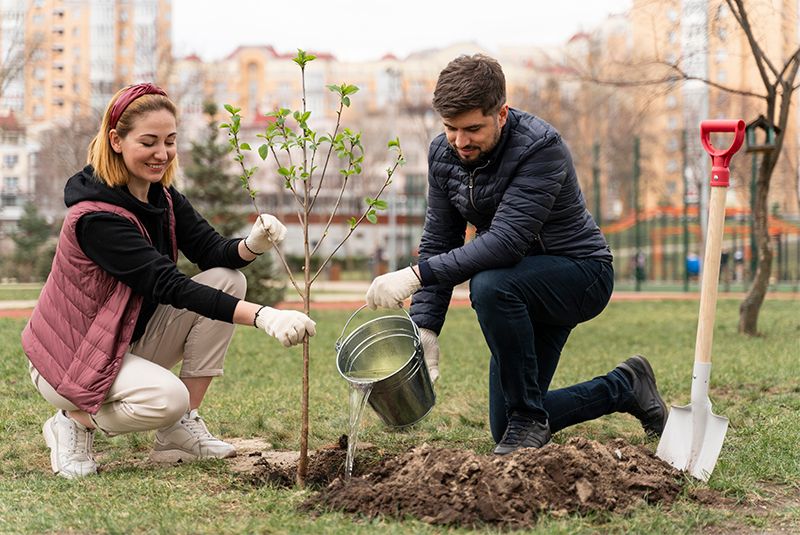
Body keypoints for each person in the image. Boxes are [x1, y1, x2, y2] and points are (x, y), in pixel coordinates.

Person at [365, 55, 667, 455]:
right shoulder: (443, 155)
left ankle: (529, 416)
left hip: (579, 275)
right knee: (505, 425)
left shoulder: (541, 148)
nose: (460, 141)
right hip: (518, 287)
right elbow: (441, 238)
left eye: (473, 128)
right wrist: (426, 327)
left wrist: (416, 275)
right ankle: (626, 386)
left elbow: (507, 241)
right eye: (450, 128)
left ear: (501, 113)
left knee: (489, 285)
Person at [21, 83, 316, 478]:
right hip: (71, 359)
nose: (162, 154)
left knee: (227, 279)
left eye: (170, 141)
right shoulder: (96, 218)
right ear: (116, 141)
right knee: (166, 398)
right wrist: (264, 316)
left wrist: (252, 244)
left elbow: (212, 253)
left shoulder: (163, 198)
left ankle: (177, 432)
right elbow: (169, 286)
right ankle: (71, 423)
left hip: (122, 339)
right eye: (149, 142)